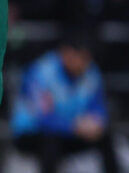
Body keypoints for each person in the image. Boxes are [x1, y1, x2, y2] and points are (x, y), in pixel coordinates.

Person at [11, 31, 119, 173]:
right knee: (50, 140)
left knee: (105, 136)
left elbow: (99, 107)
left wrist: (96, 123)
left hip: (71, 132)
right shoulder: (41, 72)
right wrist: (72, 126)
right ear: (66, 53)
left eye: (87, 59)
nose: (84, 64)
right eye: (81, 58)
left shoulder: (91, 72)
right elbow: (41, 117)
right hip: (32, 133)